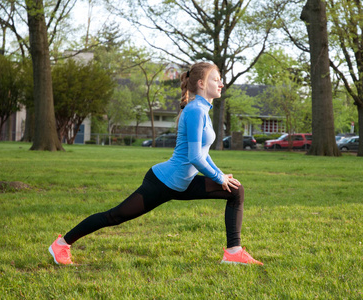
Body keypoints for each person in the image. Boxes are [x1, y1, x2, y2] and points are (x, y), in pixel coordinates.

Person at [49, 62, 263, 266]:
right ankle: (61, 244)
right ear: (201, 83)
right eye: (216, 79)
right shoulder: (196, 110)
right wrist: (219, 178)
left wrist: (221, 175)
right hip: (162, 182)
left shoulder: (202, 110)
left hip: (183, 184)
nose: (221, 84)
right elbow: (195, 157)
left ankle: (233, 253)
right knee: (116, 216)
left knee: (235, 190)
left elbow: (203, 154)